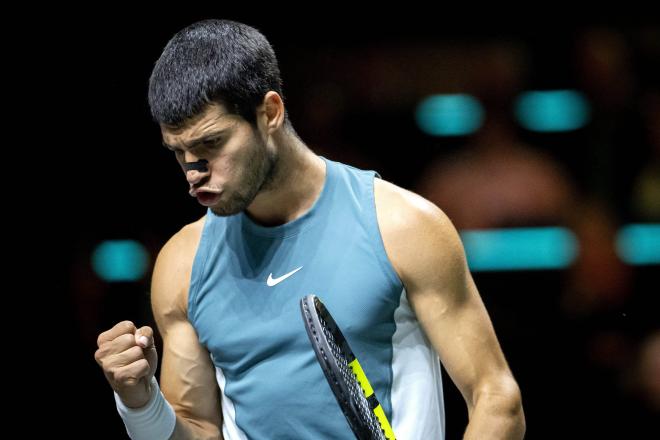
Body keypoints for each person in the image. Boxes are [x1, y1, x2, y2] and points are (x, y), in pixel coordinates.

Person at [94, 19, 525, 440]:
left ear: (270, 113)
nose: (193, 171)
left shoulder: (402, 227)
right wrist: (140, 402)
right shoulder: (182, 264)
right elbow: (198, 427)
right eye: (179, 151)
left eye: (211, 143)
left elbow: (496, 401)